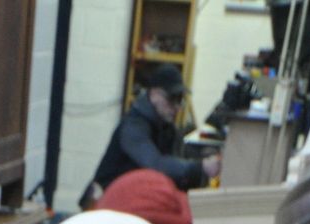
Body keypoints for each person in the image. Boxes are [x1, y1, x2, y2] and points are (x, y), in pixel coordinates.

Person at [82, 65, 221, 204]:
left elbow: (177, 162)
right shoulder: (133, 126)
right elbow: (155, 164)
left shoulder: (167, 128)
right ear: (154, 94)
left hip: (130, 201)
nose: (177, 107)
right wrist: (199, 167)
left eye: (180, 100)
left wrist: (203, 160)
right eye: (172, 99)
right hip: (106, 204)